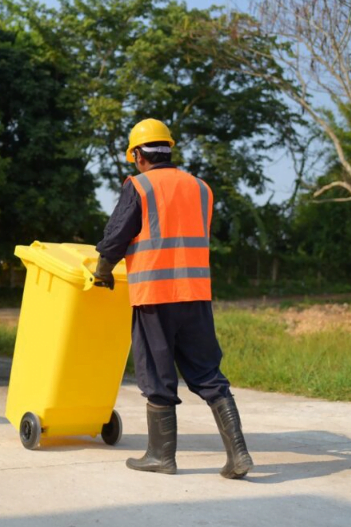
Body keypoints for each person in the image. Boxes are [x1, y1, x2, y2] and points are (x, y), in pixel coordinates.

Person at [93, 118, 253, 478]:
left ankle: (161, 457)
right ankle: (239, 455)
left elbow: (119, 233)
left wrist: (103, 269)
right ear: (169, 149)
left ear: (137, 155)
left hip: (155, 294)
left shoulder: (140, 186)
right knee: (208, 373)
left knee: (157, 374)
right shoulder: (201, 188)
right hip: (195, 295)